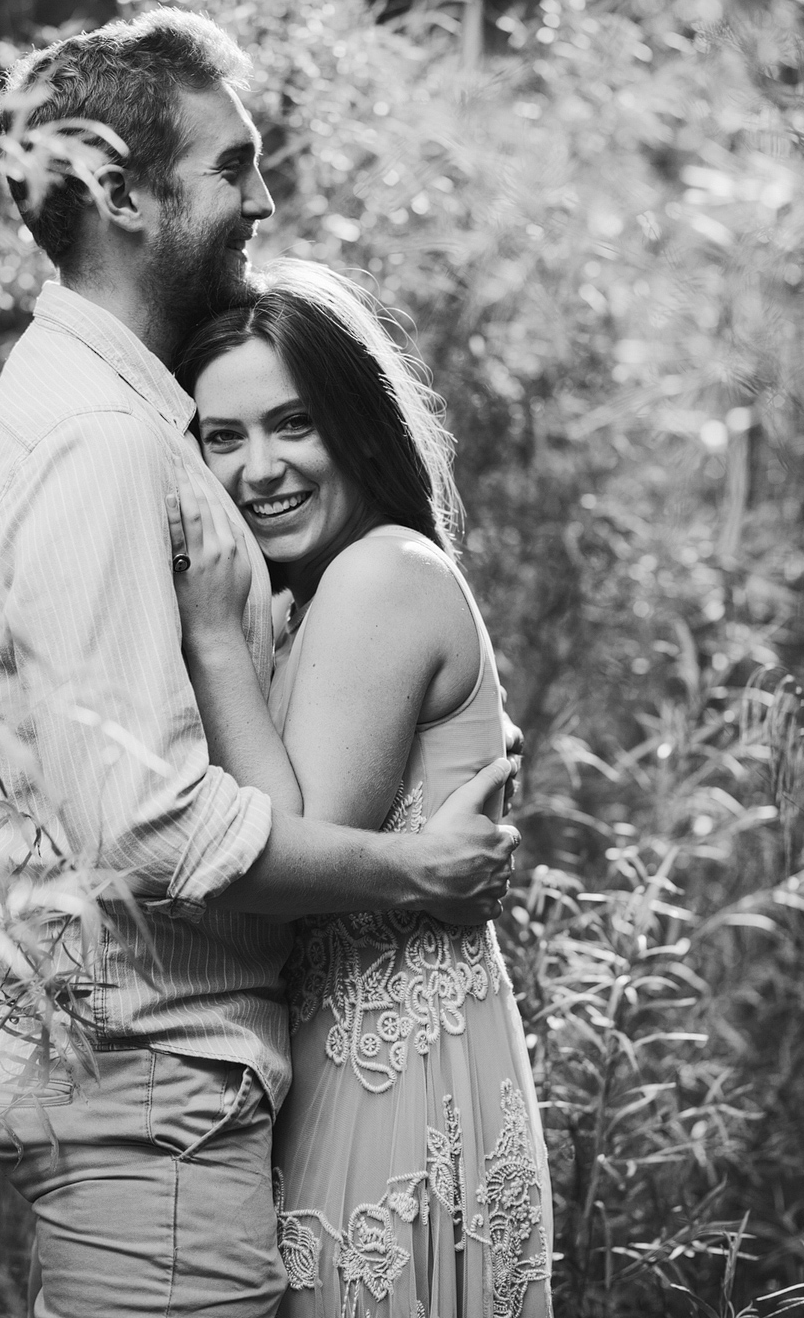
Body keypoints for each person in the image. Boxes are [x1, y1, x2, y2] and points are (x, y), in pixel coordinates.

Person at [0, 7, 522, 1317]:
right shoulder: (109, 443)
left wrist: (219, 629)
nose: (264, 194)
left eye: (296, 425)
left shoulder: (339, 564)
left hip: (257, 1094)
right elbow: (145, 824)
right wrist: (415, 869)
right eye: (234, 165)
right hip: (160, 1096)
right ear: (122, 194)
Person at [168, 262, 554, 1318]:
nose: (260, 469)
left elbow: (290, 848)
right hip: (367, 1056)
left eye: (293, 423)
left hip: (388, 1072)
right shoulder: (323, 591)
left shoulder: (382, 572)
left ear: (359, 424)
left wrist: (210, 636)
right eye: (223, 436)